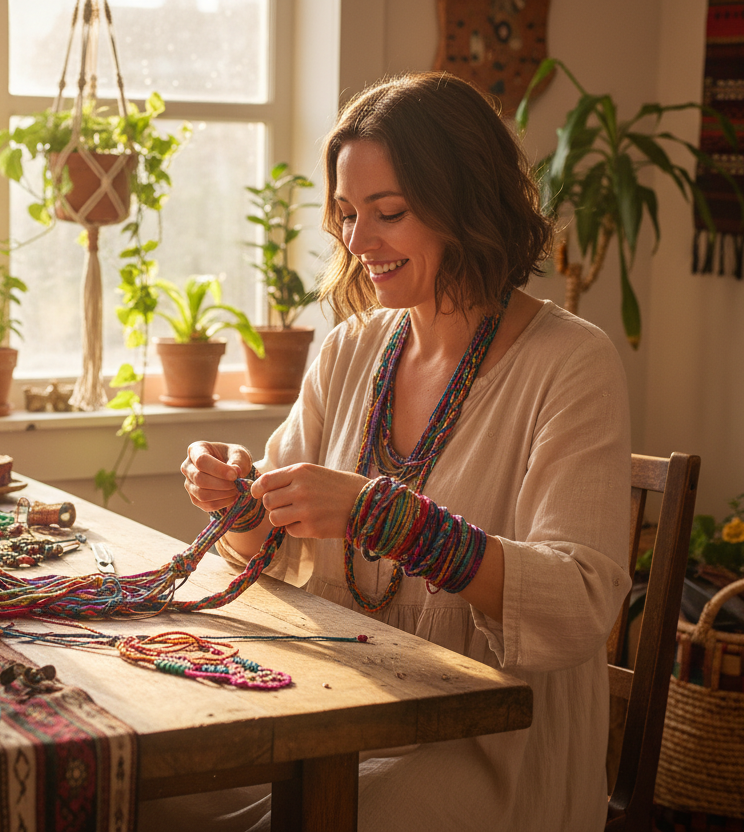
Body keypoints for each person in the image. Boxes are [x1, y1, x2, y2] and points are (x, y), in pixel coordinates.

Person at [159, 72, 633, 831]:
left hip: (492, 739)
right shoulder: (352, 349)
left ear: (468, 206)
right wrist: (238, 501)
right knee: (150, 782)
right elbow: (268, 553)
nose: (357, 241)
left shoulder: (571, 362)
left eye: (389, 213)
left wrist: (388, 517)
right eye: (347, 214)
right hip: (343, 703)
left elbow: (578, 599)